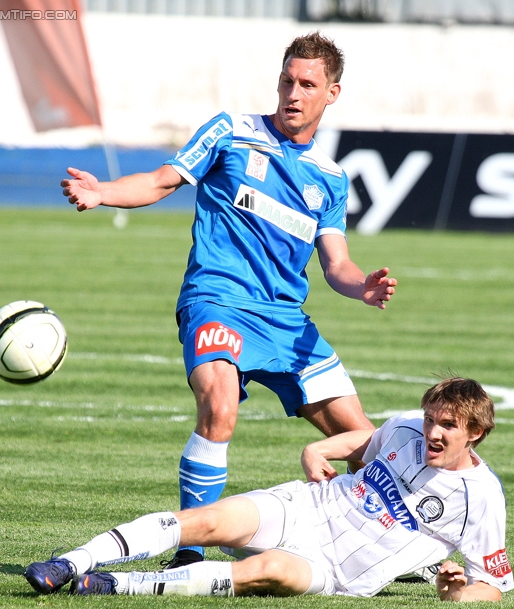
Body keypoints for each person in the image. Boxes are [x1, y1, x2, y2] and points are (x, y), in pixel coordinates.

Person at [61, 32, 397, 567]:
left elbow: (337, 264)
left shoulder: (330, 179)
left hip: (286, 321)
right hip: (216, 299)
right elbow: (161, 180)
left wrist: (364, 287)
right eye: (287, 80)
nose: (293, 92)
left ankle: (392, 548)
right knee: (218, 406)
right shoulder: (230, 132)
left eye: (307, 84)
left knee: (368, 443)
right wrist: (104, 192)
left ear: (332, 93)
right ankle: (189, 551)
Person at [24, 377, 514, 602]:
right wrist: (317, 450)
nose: (433, 431)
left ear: (475, 433)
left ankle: (113, 586)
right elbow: (367, 441)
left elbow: (492, 585)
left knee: (267, 570)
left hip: (336, 571)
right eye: (432, 419)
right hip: (310, 507)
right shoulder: (408, 425)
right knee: (209, 521)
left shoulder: (482, 497)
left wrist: (456, 595)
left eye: (448, 425)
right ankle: (70, 562)